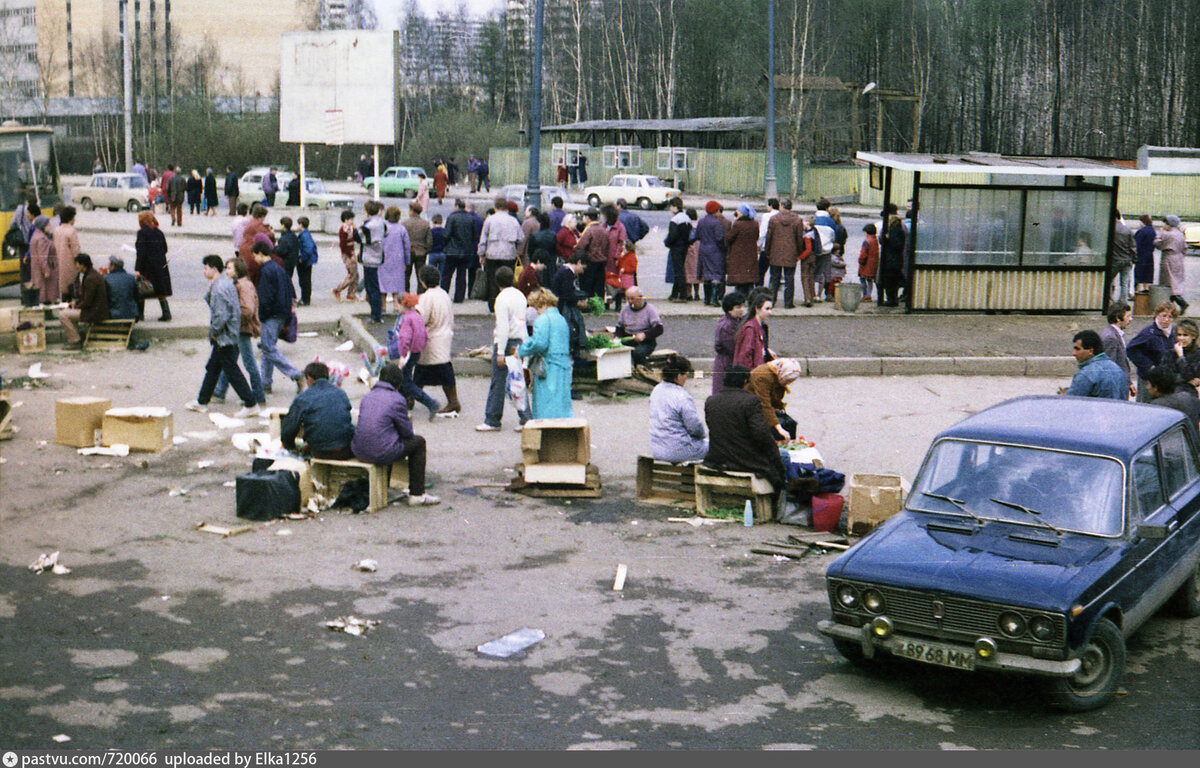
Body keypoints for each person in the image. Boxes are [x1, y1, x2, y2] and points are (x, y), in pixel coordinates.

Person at [351, 363, 440, 506]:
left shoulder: (367, 397)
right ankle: (417, 494)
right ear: (399, 384)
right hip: (380, 452)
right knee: (418, 443)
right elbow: (407, 433)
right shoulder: (397, 399)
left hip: (359, 450)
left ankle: (384, 485)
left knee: (387, 438)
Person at [184, 255, 259, 417]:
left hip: (224, 336)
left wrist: (214, 332)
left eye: (206, 268)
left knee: (231, 370)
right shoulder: (225, 283)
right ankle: (202, 401)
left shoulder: (219, 288)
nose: (204, 271)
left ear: (214, 269)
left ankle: (251, 403)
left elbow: (221, 316)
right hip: (229, 334)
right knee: (214, 367)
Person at [703, 365, 788, 491]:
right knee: (785, 455)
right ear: (744, 381)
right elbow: (762, 435)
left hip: (718, 457)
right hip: (743, 459)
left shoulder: (711, 401)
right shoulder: (750, 401)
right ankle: (781, 494)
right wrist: (774, 457)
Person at [476, 266, 531, 432]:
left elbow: (503, 327)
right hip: (519, 340)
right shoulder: (519, 295)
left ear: (496, 281)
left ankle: (492, 418)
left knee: (498, 382)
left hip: (506, 343)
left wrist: (500, 351)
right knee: (517, 380)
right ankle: (526, 417)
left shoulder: (501, 299)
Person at [211, 258, 266, 407]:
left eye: (229, 268)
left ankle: (258, 395)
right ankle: (220, 391)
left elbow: (247, 309)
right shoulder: (238, 284)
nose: (226, 271)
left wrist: (233, 318)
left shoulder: (244, 285)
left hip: (241, 329)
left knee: (247, 362)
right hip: (238, 329)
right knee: (229, 361)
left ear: (238, 270)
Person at [252, 242, 305, 395]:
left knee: (268, 348)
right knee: (268, 348)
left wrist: (262, 314)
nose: (255, 259)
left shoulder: (266, 271)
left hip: (271, 315)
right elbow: (290, 291)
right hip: (281, 313)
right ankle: (266, 382)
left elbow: (266, 297)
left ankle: (295, 374)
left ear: (261, 254)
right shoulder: (279, 268)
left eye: (255, 255)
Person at [517, 288, 573, 419]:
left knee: (546, 402)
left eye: (537, 308)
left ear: (542, 305)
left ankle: (547, 431)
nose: (536, 311)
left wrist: (521, 350)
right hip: (563, 365)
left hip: (549, 365)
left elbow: (539, 343)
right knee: (562, 401)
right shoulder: (561, 319)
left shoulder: (543, 320)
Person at [279, 362, 354, 460]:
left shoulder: (303, 398)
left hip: (320, 452)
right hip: (344, 450)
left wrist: (291, 447)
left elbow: (288, 430)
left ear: (309, 378)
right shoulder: (341, 393)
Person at [414, 265, 461, 417]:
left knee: (426, 370)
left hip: (432, 338)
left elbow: (421, 319)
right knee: (437, 370)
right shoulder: (443, 294)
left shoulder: (426, 297)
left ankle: (453, 402)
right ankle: (451, 400)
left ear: (423, 281)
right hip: (445, 334)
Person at [386, 292, 440, 419]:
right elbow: (424, 335)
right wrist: (419, 350)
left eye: (398, 305)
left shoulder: (406, 319)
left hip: (408, 353)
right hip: (416, 351)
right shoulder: (417, 316)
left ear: (403, 305)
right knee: (404, 380)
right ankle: (400, 407)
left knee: (406, 382)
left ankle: (431, 403)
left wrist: (402, 356)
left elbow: (405, 339)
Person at [649, 354, 708, 463]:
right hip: (678, 450)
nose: (686, 379)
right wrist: (702, 436)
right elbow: (694, 426)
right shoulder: (682, 396)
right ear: (678, 376)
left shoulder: (656, 390)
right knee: (717, 447)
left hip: (657, 448)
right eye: (686, 375)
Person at [477, 197, 525, 311]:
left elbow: (483, 239)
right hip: (509, 255)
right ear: (507, 208)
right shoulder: (513, 221)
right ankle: (507, 304)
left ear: (495, 207)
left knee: (493, 281)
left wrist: (481, 254)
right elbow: (521, 238)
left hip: (492, 254)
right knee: (507, 281)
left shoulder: (489, 220)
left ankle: (493, 305)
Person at [1128, 302, 1179, 403]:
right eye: (1163, 316)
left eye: (1170, 317)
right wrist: (1149, 367)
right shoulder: (1149, 333)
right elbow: (1131, 349)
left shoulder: (1174, 333)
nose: (1166, 319)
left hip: (1166, 381)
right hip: (1149, 380)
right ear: (1156, 315)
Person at [1065, 330, 1133, 400]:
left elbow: (1070, 402)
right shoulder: (1118, 370)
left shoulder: (1086, 375)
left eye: (1077, 349)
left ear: (1090, 351)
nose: (1073, 353)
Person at [746, 358, 804, 441]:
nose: (788, 383)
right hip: (751, 408)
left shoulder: (778, 373)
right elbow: (764, 404)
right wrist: (779, 428)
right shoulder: (762, 376)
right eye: (787, 380)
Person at [764, 199, 805, 308]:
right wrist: (799, 252)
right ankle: (788, 302)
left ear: (782, 206)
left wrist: (767, 250)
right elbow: (799, 238)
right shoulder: (797, 220)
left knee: (774, 277)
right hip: (791, 252)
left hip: (775, 251)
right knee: (789, 278)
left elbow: (769, 237)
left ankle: (771, 301)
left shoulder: (773, 219)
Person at [134, 211, 172, 321]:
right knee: (160, 290)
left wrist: (138, 269)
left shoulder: (142, 233)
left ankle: (140, 315)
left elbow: (141, 252)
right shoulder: (159, 232)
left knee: (142, 288)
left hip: (148, 267)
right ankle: (166, 313)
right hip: (160, 265)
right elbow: (165, 249)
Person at [553, 251, 589, 365]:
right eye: (582, 268)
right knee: (571, 330)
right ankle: (572, 358)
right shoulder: (567, 273)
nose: (582, 271)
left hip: (561, 305)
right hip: (563, 308)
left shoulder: (564, 271)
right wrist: (579, 303)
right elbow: (567, 295)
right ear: (578, 262)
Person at [614, 287, 663, 368]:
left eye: (632, 299)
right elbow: (620, 326)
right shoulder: (625, 309)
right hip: (629, 338)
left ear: (640, 298)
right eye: (628, 299)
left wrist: (645, 335)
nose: (630, 301)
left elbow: (659, 328)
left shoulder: (649, 309)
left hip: (646, 341)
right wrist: (617, 336)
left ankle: (641, 370)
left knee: (638, 353)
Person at [442, 198, 477, 302]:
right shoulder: (471, 218)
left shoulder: (452, 217)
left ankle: (444, 295)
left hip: (452, 251)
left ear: (457, 206)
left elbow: (446, 234)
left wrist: (446, 245)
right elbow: (474, 236)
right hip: (466, 251)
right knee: (461, 275)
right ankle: (459, 297)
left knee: (447, 275)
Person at [1098, 300, 1135, 399]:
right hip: (1115, 390)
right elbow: (1110, 367)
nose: (1131, 319)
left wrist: (1129, 382)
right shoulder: (1111, 338)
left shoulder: (1112, 333)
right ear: (1118, 318)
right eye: (1128, 316)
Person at [712, 292, 746, 395]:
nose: (742, 309)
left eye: (742, 306)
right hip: (726, 363)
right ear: (729, 309)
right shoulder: (727, 326)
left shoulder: (735, 320)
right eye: (738, 307)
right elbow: (733, 347)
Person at [1154, 215, 1189, 315]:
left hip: (1169, 258)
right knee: (1175, 282)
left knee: (1169, 283)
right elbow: (1185, 248)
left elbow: (1158, 244)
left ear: (1169, 224)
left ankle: (1180, 303)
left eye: (1166, 223)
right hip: (1179, 258)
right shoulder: (1180, 234)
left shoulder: (1167, 234)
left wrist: (1159, 234)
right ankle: (1170, 306)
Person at [695, 201, 727, 306]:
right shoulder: (716, 223)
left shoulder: (701, 221)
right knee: (716, 273)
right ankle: (714, 299)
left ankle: (707, 299)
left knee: (707, 273)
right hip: (715, 250)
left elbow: (697, 235)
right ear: (715, 211)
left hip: (703, 248)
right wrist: (724, 249)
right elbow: (719, 238)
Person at [377, 205, 409, 312]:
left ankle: (383, 306)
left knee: (383, 284)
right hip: (398, 260)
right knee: (397, 284)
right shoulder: (401, 229)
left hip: (383, 259)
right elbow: (406, 247)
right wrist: (407, 261)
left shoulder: (382, 227)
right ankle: (396, 306)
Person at [359, 200, 387, 324]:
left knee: (371, 288)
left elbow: (358, 236)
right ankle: (376, 314)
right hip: (378, 255)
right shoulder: (381, 223)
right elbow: (386, 233)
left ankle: (375, 315)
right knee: (373, 287)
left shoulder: (368, 225)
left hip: (369, 257)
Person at [1158, 318, 1200, 398]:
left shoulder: (1197, 354)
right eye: (1179, 335)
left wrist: (1181, 357)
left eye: (1185, 335)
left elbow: (1190, 374)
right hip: (1170, 394)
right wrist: (1186, 380)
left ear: (1193, 336)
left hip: (1188, 395)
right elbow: (1165, 376)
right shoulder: (1170, 353)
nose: (1181, 338)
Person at [732, 290, 773, 369]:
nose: (770, 312)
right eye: (767, 309)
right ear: (757, 309)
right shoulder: (750, 329)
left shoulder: (759, 326)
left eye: (771, 309)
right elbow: (745, 356)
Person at [575, 206, 608, 300]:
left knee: (588, 287)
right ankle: (598, 307)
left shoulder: (589, 230)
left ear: (588, 218)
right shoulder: (603, 230)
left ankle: (588, 306)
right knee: (599, 287)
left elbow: (581, 246)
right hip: (602, 262)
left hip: (590, 261)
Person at [725, 205, 758, 296]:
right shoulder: (755, 224)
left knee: (740, 277)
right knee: (749, 276)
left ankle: (740, 296)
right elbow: (757, 236)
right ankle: (751, 295)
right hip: (751, 252)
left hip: (738, 254)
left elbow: (729, 238)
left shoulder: (738, 224)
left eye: (738, 210)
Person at [238, 204, 275, 285]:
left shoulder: (251, 221)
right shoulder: (257, 224)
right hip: (251, 253)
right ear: (261, 216)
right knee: (253, 278)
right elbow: (268, 235)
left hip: (244, 250)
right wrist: (270, 231)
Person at [879, 207, 907, 307]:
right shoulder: (899, 229)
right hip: (896, 259)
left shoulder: (894, 231)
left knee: (890, 281)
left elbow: (895, 244)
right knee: (893, 281)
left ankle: (891, 299)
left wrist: (887, 238)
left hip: (892, 260)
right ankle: (892, 298)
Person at [402, 202, 432, 293]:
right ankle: (421, 295)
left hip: (408, 252)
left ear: (412, 211)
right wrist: (426, 250)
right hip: (421, 252)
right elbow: (429, 241)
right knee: (420, 275)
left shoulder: (405, 223)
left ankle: (406, 294)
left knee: (406, 275)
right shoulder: (425, 224)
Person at [52, 205, 80, 300]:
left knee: (62, 289)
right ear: (70, 218)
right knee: (72, 289)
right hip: (70, 264)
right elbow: (75, 250)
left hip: (59, 263)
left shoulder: (56, 230)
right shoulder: (71, 231)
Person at [28, 215, 57, 305]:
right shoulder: (42, 239)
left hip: (36, 268)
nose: (50, 226)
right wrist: (46, 270)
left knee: (40, 290)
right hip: (43, 269)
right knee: (45, 292)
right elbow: (43, 256)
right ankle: (47, 312)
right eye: (48, 225)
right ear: (43, 226)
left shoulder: (36, 235)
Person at [332, 209, 359, 302]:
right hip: (348, 254)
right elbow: (343, 245)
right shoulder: (343, 230)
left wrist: (355, 230)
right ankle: (338, 289)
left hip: (351, 252)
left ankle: (351, 294)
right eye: (351, 219)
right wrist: (350, 255)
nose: (352, 221)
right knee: (352, 274)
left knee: (356, 274)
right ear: (346, 220)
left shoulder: (349, 229)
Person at [103, 255, 139, 321]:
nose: (108, 267)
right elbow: (137, 296)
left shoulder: (106, 278)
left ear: (113, 266)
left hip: (114, 314)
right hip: (131, 314)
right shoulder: (131, 278)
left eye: (109, 265)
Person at [1111, 211, 1135, 304]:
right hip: (1127, 259)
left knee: (1109, 280)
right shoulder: (1128, 230)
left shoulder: (1111, 229)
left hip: (1115, 259)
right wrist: (1134, 259)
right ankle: (1123, 301)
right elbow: (1133, 247)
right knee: (1124, 283)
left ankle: (1109, 300)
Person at [295, 216, 318, 306]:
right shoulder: (306, 234)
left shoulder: (304, 235)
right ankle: (306, 298)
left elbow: (308, 249)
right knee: (306, 280)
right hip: (307, 260)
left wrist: (302, 258)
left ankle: (305, 299)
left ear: (301, 225)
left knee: (304, 280)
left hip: (305, 261)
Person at [756, 197, 779, 285]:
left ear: (770, 206)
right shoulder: (780, 215)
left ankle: (759, 289)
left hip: (766, 246)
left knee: (761, 270)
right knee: (774, 272)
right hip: (777, 248)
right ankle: (772, 291)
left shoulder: (766, 216)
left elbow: (763, 232)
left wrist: (758, 245)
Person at [1133, 214, 1157, 293]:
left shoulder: (1141, 231)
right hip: (1150, 254)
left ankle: (1137, 291)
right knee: (1147, 273)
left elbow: (1136, 244)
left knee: (1139, 274)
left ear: (1142, 221)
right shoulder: (1152, 230)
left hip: (1141, 255)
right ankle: (1146, 290)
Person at [858, 222, 880, 302]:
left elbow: (863, 254)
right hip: (873, 263)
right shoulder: (875, 240)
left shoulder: (866, 241)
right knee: (870, 280)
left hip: (866, 264)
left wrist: (860, 261)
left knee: (862, 280)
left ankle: (865, 295)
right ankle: (869, 294)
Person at [275, 216, 299, 282]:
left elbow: (281, 251)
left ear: (283, 225)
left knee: (284, 280)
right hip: (292, 262)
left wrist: (276, 247)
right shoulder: (293, 235)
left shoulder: (285, 238)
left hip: (286, 263)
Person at [428, 213, 446, 279]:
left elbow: (429, 242)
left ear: (433, 221)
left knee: (431, 273)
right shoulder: (445, 231)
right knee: (442, 274)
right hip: (443, 253)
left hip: (433, 253)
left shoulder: (431, 231)